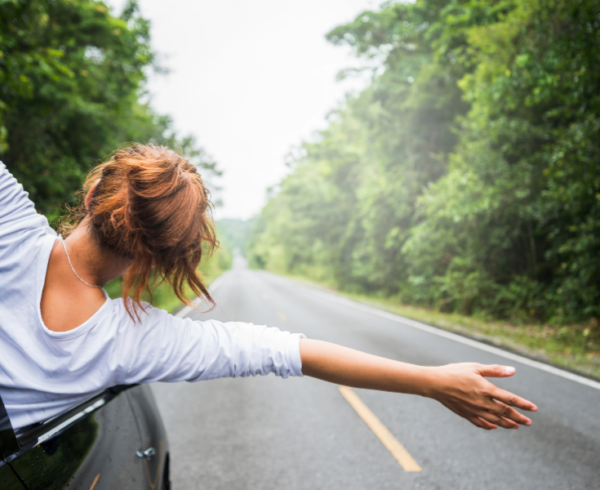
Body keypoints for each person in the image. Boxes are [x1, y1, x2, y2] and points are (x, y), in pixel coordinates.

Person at [0, 144, 537, 434]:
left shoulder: (12, 227)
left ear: (94, 190)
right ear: (160, 257)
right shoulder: (133, 340)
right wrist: (430, 380)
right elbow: (289, 352)